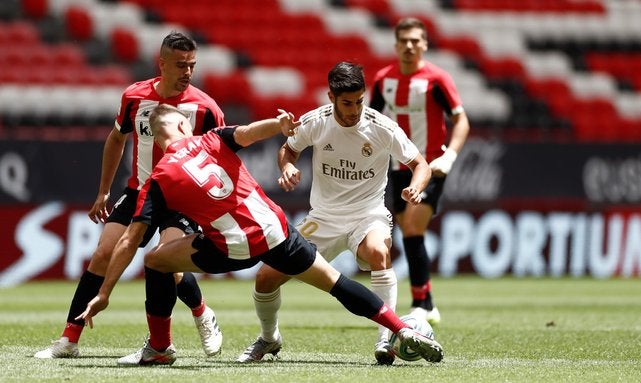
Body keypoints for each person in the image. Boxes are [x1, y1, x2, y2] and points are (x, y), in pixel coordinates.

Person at [75, 104, 444, 366]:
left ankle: (159, 346)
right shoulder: (212, 140)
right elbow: (250, 133)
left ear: (158, 140)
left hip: (233, 248)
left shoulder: (157, 180)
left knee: (156, 260)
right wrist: (280, 124)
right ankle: (400, 327)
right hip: (277, 230)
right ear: (185, 127)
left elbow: (128, 240)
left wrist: (105, 293)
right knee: (335, 282)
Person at [35, 31, 225, 359]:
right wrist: (104, 191)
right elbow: (115, 139)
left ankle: (200, 314)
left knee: (167, 260)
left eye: (192, 65)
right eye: (180, 65)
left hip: (181, 197)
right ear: (161, 64)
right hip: (140, 190)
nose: (187, 73)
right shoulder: (135, 97)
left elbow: (221, 157)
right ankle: (69, 339)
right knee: (102, 254)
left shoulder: (206, 108)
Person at [237, 62, 432, 366]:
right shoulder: (316, 121)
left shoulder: (381, 127)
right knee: (265, 277)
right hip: (323, 219)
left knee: (378, 252)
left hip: (368, 215)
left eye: (359, 101)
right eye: (347, 103)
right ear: (331, 97)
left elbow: (420, 164)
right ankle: (269, 338)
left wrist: (416, 188)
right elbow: (288, 149)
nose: (354, 110)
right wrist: (287, 166)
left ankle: (385, 340)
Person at [369, 17, 471, 325]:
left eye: (416, 41)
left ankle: (422, 304)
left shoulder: (437, 79)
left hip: (430, 166)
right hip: (396, 166)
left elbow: (462, 121)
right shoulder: (383, 80)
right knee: (409, 232)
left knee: (412, 226)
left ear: (424, 44)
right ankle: (425, 300)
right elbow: (369, 120)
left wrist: (450, 156)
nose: (410, 46)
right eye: (405, 41)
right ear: (396, 45)